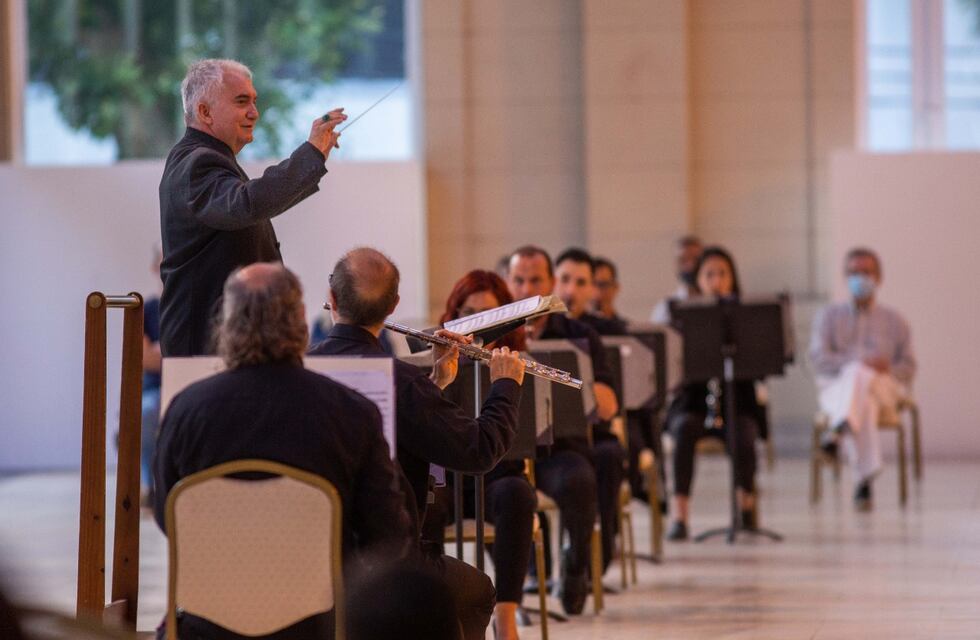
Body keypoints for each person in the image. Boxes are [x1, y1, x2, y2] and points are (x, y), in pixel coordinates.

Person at [153, 263, 413, 639]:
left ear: (226, 326)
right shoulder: (352, 412)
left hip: (206, 628)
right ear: (300, 324)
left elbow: (168, 517)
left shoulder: (185, 410)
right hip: (319, 627)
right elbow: (389, 536)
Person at [308, 248, 526, 640]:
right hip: (385, 561)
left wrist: (434, 383)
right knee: (477, 591)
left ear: (333, 299)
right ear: (392, 307)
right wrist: (505, 384)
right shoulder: (400, 383)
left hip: (309, 555)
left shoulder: (301, 371)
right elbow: (480, 450)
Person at [159, 58, 346, 356]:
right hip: (205, 349)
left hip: (218, 342)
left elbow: (249, 205)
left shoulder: (204, 159)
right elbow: (246, 204)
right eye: (241, 101)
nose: (254, 113)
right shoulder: (198, 162)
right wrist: (310, 155)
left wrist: (313, 160)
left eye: (254, 101)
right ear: (204, 112)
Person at [423, 270, 537, 640]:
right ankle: (436, 612)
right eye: (468, 315)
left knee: (517, 494)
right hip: (448, 475)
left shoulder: (518, 364)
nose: (477, 331)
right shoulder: (435, 360)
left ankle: (505, 618)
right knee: (427, 500)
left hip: (499, 473)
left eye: (488, 318)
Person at [507, 245, 619, 615]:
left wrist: (579, 377)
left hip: (561, 448)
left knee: (581, 479)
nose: (526, 288)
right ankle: (527, 573)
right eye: (519, 280)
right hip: (507, 450)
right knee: (497, 491)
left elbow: (608, 403)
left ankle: (576, 563)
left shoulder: (580, 335)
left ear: (551, 282)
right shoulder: (494, 331)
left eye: (535, 280)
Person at [665, 246, 761, 541]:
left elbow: (757, 366)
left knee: (744, 433)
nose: (716, 280)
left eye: (722, 273)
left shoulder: (744, 316)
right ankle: (680, 513)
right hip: (694, 402)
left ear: (732, 278)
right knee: (684, 430)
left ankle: (746, 503)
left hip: (737, 400)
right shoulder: (683, 316)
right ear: (699, 280)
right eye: (709, 274)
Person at [809, 247, 915, 510]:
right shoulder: (828, 317)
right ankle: (863, 483)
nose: (860, 277)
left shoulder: (894, 321)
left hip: (884, 387)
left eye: (866, 272)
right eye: (854, 272)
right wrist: (855, 364)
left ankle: (837, 433)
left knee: (861, 378)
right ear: (845, 276)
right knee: (861, 396)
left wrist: (885, 367)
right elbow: (818, 358)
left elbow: (909, 366)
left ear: (878, 277)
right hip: (837, 388)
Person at [554, 248, 628, 336]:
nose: (571, 291)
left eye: (581, 283)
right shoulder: (537, 328)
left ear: (592, 288)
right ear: (551, 281)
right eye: (564, 279)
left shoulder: (609, 332)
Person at [141, 247, 163, 504]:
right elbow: (146, 360)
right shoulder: (149, 309)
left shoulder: (191, 304)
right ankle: (150, 488)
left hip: (189, 383)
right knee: (146, 414)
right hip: (154, 390)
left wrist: (160, 348)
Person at [651, 235, 702, 324]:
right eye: (683, 260)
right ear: (675, 265)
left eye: (695, 259)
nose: (690, 265)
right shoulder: (664, 309)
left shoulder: (720, 301)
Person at [592, 256, 628, 327]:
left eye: (603, 285)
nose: (597, 292)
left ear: (615, 287)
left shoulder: (628, 329)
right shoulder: (573, 330)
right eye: (592, 284)